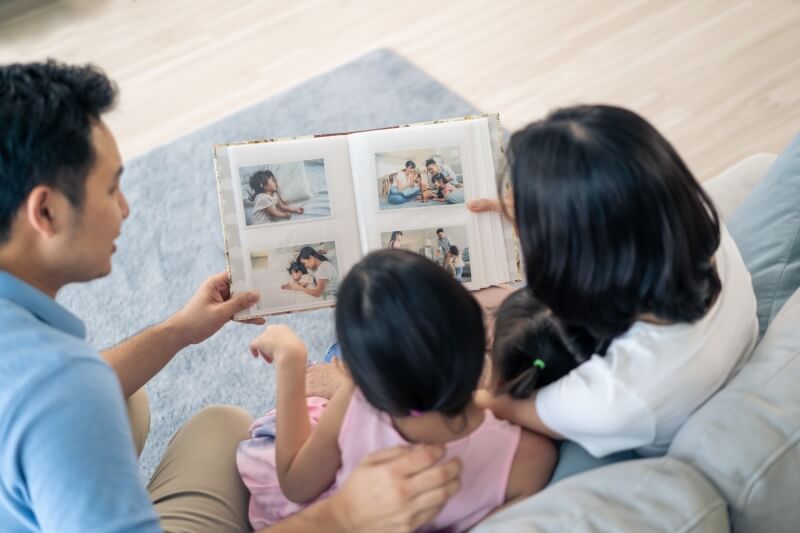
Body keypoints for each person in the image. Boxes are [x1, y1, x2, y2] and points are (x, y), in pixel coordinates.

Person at [0, 60, 462, 533]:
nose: (125, 208)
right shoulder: (64, 390)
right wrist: (344, 516)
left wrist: (178, 331)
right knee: (221, 426)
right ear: (46, 210)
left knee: (126, 397)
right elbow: (67, 391)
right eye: (112, 188)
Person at [469, 104, 758, 479]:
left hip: (637, 425)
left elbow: (498, 402)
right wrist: (548, 215)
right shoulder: (697, 229)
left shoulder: (615, 398)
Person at [247, 250, 556, 529]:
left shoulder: (357, 397)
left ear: (361, 376)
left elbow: (296, 485)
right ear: (481, 332)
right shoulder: (531, 459)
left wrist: (291, 361)